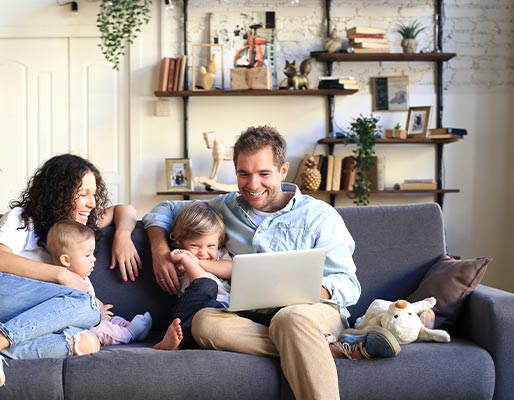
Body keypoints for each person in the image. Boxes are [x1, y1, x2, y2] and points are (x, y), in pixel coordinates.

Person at [143, 126, 401, 400]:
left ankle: (310, 338)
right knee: (205, 323)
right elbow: (165, 210)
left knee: (289, 318)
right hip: (249, 318)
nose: (253, 185)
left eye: (264, 174)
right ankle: (327, 348)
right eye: (244, 174)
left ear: (282, 170)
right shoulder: (224, 207)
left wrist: (303, 291)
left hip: (311, 314)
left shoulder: (320, 216)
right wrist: (159, 248)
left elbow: (349, 285)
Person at [0, 154, 142, 388]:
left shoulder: (79, 227)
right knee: (88, 304)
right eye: (83, 194)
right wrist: (62, 275)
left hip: (8, 324)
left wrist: (123, 236)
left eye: (93, 194)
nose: (92, 203)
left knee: (86, 341)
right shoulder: (23, 219)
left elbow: (124, 210)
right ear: (58, 194)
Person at [46, 220, 152, 346]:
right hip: (83, 326)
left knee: (113, 320)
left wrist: (99, 307)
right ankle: (130, 334)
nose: (94, 259)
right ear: (66, 260)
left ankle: (135, 329)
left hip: (94, 317)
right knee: (103, 331)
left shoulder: (82, 277)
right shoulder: (63, 283)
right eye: (87, 255)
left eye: (93, 254)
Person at [153, 202, 231, 351]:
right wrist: (187, 261)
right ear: (179, 242)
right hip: (194, 313)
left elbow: (231, 269)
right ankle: (173, 342)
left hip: (224, 313)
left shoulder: (220, 255)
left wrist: (197, 261)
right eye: (195, 245)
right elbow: (202, 282)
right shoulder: (179, 259)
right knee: (207, 289)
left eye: (211, 246)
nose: (203, 252)